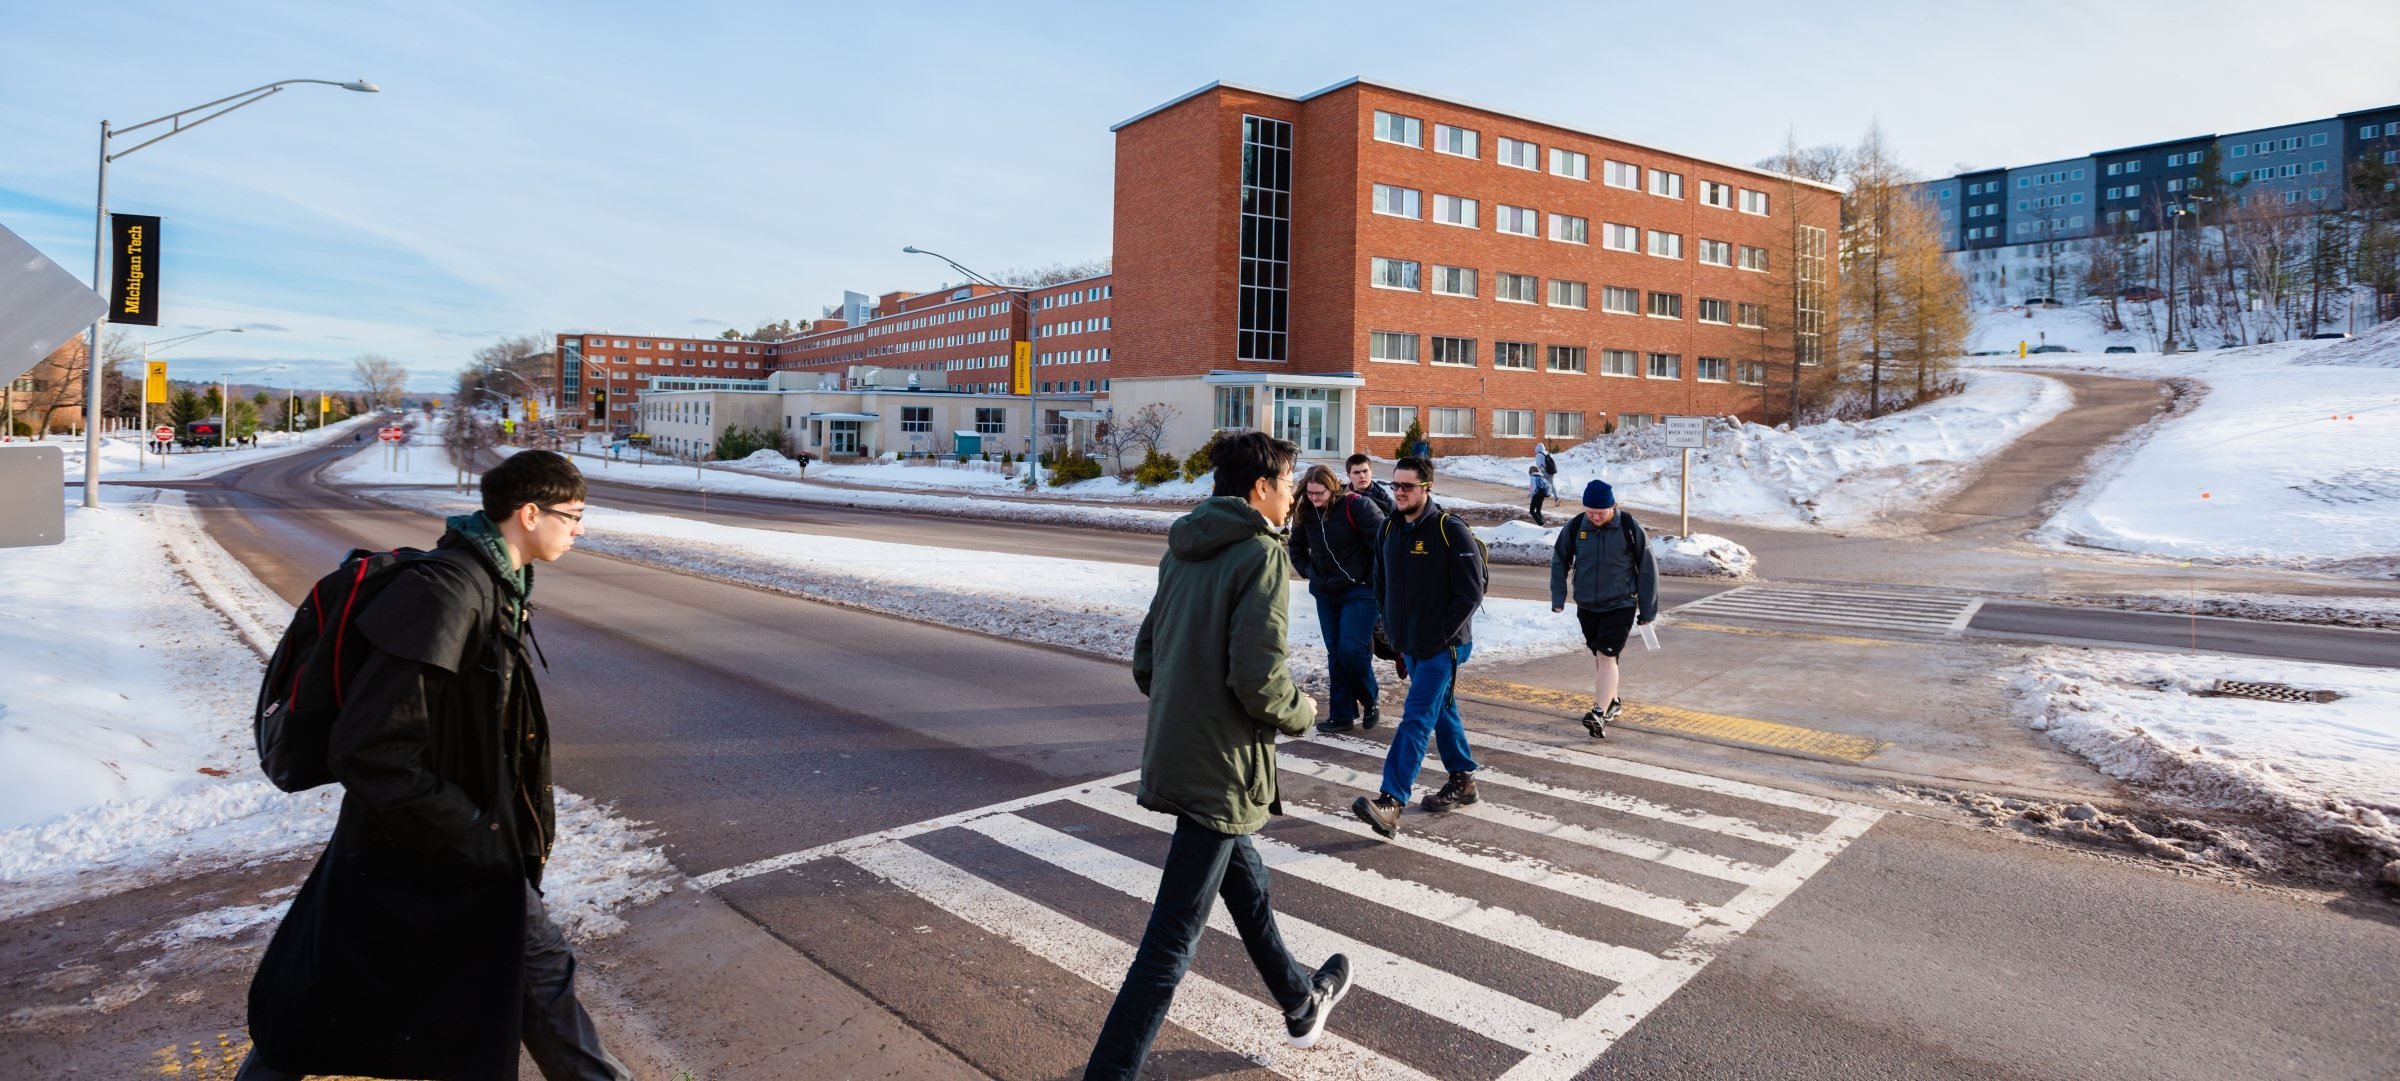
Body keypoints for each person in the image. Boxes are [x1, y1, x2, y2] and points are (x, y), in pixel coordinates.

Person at [239, 451, 629, 1081]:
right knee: (327, 998)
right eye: (574, 515)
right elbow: (371, 746)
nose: (580, 528)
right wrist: (475, 830)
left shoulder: (491, 585)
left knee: (525, 978)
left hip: (433, 842)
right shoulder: (450, 593)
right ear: (530, 514)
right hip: (431, 844)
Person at [1085, 431, 1353, 1079]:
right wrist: (1303, 710)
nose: (1293, 496)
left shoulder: (1183, 547)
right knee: (1170, 942)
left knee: (1248, 887)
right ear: (1260, 488)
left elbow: (1149, 660)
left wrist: (1190, 701)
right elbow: (1258, 680)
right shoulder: (1260, 555)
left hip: (1181, 752)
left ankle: (1299, 999)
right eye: (1289, 483)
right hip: (1223, 766)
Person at [1352, 455, 1488, 839]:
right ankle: (1463, 781)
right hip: (1409, 642)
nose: (1399, 493)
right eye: (1395, 485)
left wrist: (1440, 635)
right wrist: (1390, 628)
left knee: (1416, 716)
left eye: (1407, 486)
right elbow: (1381, 581)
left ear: (1426, 488)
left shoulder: (1449, 530)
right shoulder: (1389, 528)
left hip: (1444, 646)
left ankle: (1391, 802)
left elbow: (1471, 591)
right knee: (1442, 710)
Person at [1549, 480, 1658, 738]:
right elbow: (1560, 559)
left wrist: (1648, 609)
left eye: (1600, 512)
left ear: (1612, 507)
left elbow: (1647, 567)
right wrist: (1558, 596)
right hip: (1587, 604)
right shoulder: (1577, 526)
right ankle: (1613, 702)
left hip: (1620, 603)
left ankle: (1599, 712)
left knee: (1606, 655)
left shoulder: (1630, 527)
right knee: (1601, 656)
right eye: (1590, 512)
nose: (1594, 517)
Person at [1288, 463, 1385, 733]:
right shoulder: (1306, 510)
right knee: (1336, 654)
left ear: (1333, 488)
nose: (1314, 498)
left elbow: (1382, 546)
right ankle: (1342, 715)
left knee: (1351, 649)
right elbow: (1296, 546)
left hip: (1360, 590)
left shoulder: (1358, 506)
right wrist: (1309, 571)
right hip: (1326, 591)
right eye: (1310, 493)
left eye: (1320, 493)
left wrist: (1370, 580)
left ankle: (1369, 697)